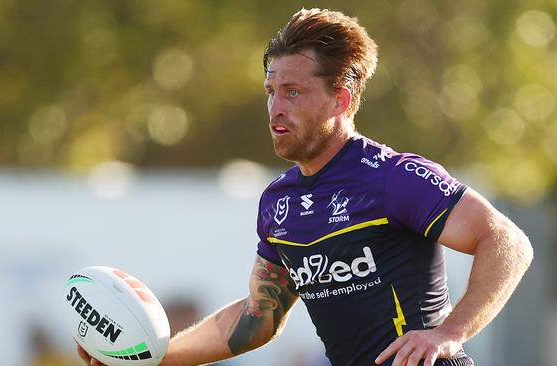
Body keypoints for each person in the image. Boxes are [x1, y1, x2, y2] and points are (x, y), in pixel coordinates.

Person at [78, 8, 533, 366]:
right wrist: (151, 359)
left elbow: (508, 242)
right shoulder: (279, 202)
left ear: (342, 98)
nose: (276, 107)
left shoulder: (392, 176)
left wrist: (449, 333)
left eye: (293, 92)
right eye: (271, 91)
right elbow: (258, 319)